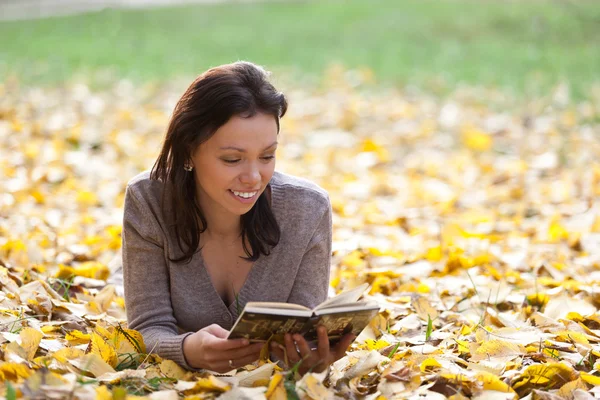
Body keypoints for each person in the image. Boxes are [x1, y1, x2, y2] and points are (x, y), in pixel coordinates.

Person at [122, 61, 355, 375]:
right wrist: (188, 350)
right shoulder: (148, 200)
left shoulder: (307, 209)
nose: (254, 177)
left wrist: (309, 360)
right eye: (232, 159)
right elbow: (146, 329)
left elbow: (303, 336)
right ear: (189, 150)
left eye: (267, 156)